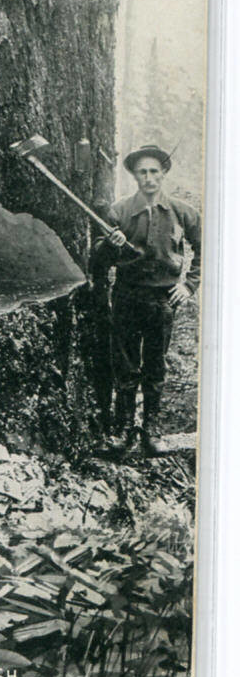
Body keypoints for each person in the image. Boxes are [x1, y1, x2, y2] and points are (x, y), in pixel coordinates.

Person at [95, 144, 201, 456]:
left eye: (154, 171)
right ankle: (124, 430)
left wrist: (190, 285)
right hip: (127, 297)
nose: (149, 177)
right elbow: (98, 258)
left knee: (155, 367)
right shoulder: (120, 211)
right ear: (134, 176)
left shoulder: (182, 212)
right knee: (126, 367)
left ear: (164, 173)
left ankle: (150, 432)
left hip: (163, 301)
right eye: (142, 172)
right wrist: (111, 245)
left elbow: (210, 247)